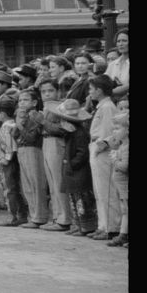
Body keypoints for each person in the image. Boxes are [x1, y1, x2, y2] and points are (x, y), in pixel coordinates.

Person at [49, 99, 97, 237]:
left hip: (78, 172)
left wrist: (71, 164)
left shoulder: (79, 133)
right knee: (74, 199)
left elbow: (82, 153)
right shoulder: (72, 133)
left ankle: (86, 227)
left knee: (82, 200)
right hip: (72, 172)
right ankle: (78, 225)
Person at [87, 74, 120, 241]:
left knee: (106, 190)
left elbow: (108, 132)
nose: (90, 92)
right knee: (99, 190)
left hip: (103, 151)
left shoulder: (107, 107)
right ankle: (103, 225)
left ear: (99, 90)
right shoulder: (102, 106)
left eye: (92, 89)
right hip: (96, 148)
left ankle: (111, 227)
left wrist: (100, 146)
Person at [37, 78, 71, 231]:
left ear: (58, 92)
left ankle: (64, 219)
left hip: (57, 143)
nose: (47, 94)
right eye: (43, 92)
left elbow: (62, 129)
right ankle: (57, 216)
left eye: (50, 90)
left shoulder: (61, 107)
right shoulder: (45, 107)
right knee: (51, 182)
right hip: (46, 142)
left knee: (58, 181)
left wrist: (43, 121)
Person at [12, 88, 49, 228]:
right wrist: (18, 123)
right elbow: (15, 135)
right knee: (27, 185)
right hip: (22, 150)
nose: (22, 103)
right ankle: (33, 215)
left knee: (36, 183)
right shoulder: (23, 115)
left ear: (34, 102)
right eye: (20, 100)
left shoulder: (35, 116)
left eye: (25, 100)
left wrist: (20, 126)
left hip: (33, 150)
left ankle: (39, 216)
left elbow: (31, 137)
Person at [0, 97, 27, 226]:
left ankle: (14, 216)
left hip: (7, 162)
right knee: (13, 188)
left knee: (9, 189)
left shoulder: (7, 126)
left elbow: (10, 144)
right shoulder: (11, 125)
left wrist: (7, 157)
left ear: (2, 113)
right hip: (9, 161)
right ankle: (20, 215)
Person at [105, 111, 129, 247]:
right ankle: (123, 234)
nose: (114, 131)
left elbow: (125, 167)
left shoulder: (126, 148)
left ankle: (124, 234)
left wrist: (115, 160)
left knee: (126, 210)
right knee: (124, 210)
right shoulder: (121, 146)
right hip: (121, 187)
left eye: (118, 128)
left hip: (124, 186)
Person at [105, 28, 129, 100]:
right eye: (118, 41)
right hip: (113, 101)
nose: (121, 44)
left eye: (124, 41)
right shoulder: (112, 64)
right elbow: (104, 81)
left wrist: (107, 92)